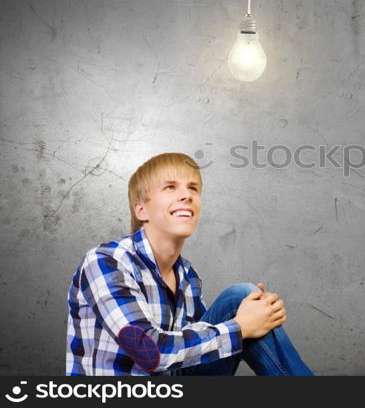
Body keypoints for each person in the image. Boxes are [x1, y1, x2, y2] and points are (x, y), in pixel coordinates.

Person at [65, 152, 314, 376]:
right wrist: (241, 327)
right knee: (242, 314)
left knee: (245, 298)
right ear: (141, 210)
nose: (187, 195)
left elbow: (195, 351)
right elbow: (149, 353)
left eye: (193, 188)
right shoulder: (107, 261)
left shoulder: (187, 276)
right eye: (170, 187)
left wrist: (261, 316)